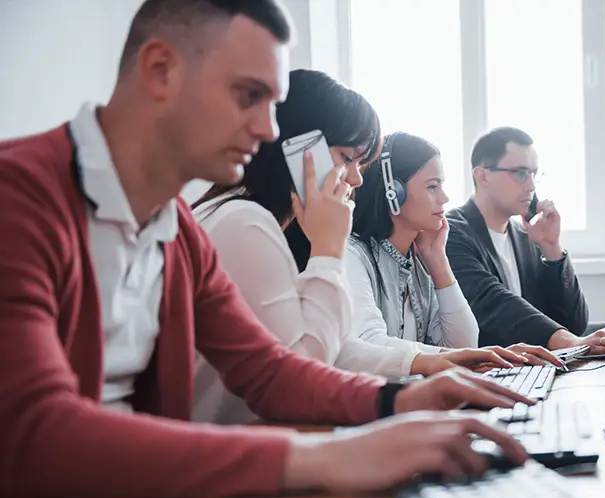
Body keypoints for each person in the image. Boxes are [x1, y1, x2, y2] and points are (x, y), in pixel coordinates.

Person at [0, 0, 531, 498]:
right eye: (247, 95)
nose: (269, 130)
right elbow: (30, 436)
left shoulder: (176, 226)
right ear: (160, 70)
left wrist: (400, 400)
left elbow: (268, 370)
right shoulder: (18, 196)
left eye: (273, 105)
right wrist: (323, 458)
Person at [191, 70, 519, 425]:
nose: (357, 178)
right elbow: (302, 370)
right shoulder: (245, 224)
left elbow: (333, 346)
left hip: (256, 437)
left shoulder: (258, 224)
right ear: (299, 150)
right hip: (227, 449)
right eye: (348, 159)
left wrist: (434, 361)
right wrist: (328, 251)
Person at [346, 132, 562, 370]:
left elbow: (462, 343)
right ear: (393, 193)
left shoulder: (419, 262)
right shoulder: (352, 256)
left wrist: (438, 260)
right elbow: (371, 343)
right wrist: (475, 356)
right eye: (432, 187)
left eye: (442, 185)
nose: (444, 197)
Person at [446, 127, 605, 354]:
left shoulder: (525, 236)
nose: (531, 185)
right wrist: (569, 342)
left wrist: (552, 249)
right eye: (520, 173)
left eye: (533, 174)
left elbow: (574, 324)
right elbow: (489, 301)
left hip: (534, 372)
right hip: (487, 374)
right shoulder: (452, 232)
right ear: (483, 176)